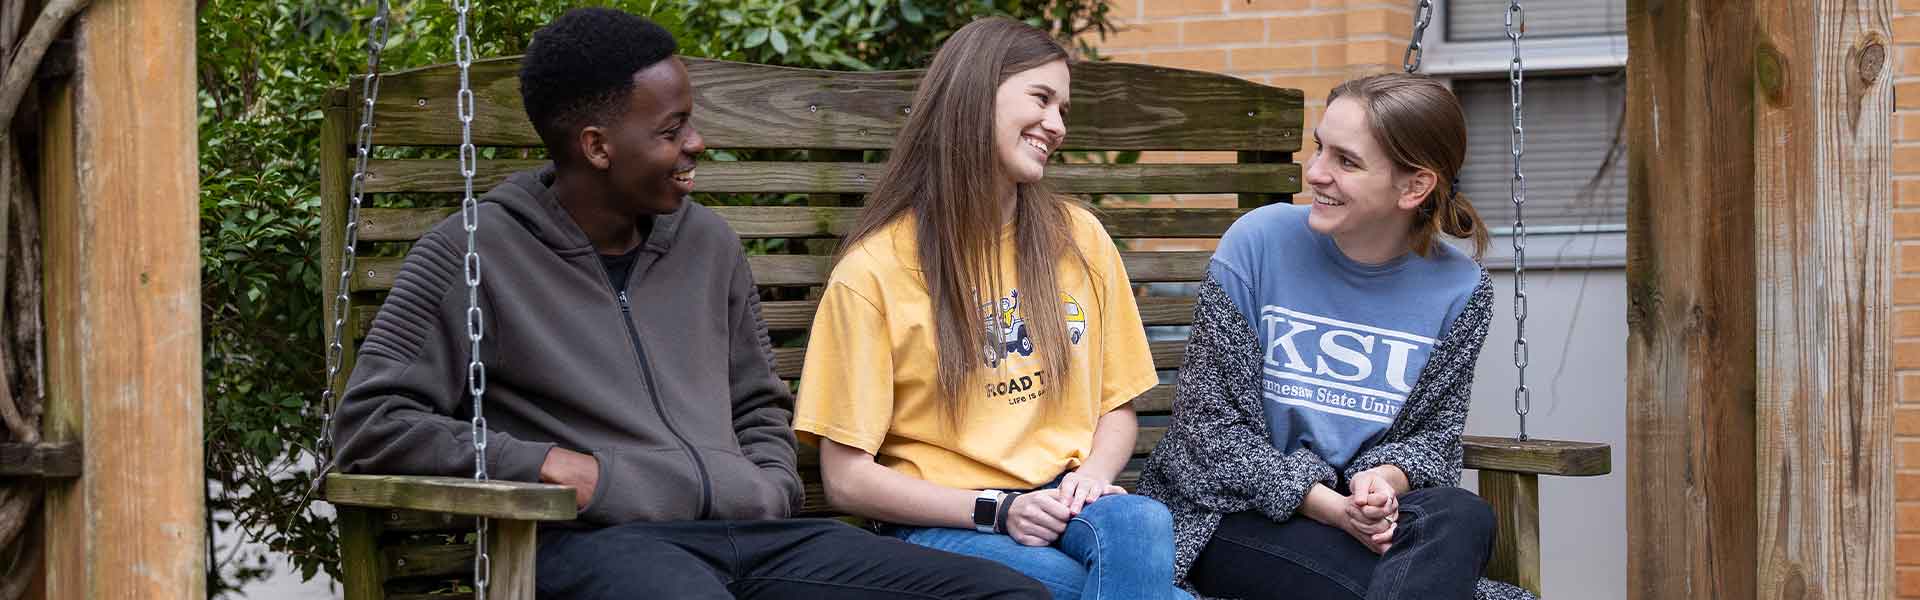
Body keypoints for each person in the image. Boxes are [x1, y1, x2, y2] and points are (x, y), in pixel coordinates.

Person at [329, 8, 1048, 600]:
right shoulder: (472, 254)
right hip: (598, 547)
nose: (696, 143)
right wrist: (547, 463)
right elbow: (371, 426)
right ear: (597, 146)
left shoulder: (708, 245)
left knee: (1008, 596)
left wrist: (766, 487)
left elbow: (759, 405)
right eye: (671, 130)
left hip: (758, 539)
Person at [791, 17, 1188, 600]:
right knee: (1081, 588)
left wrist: (1091, 479)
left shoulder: (1079, 237)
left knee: (1143, 521)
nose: (1056, 125)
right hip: (944, 521)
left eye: (1063, 110)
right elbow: (846, 480)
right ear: (977, 96)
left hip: (1064, 500)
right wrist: (996, 510)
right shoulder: (874, 272)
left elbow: (1117, 408)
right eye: (1042, 98)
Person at [1137, 73, 1534, 600]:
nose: (1317, 173)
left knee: (1464, 513)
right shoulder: (1259, 243)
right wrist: (1332, 507)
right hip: (1228, 516)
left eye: (1346, 162)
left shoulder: (1460, 290)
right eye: (1320, 148)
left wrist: (1383, 485)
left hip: (1364, 529)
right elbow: (1208, 433)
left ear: (1414, 186)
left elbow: (1435, 441)